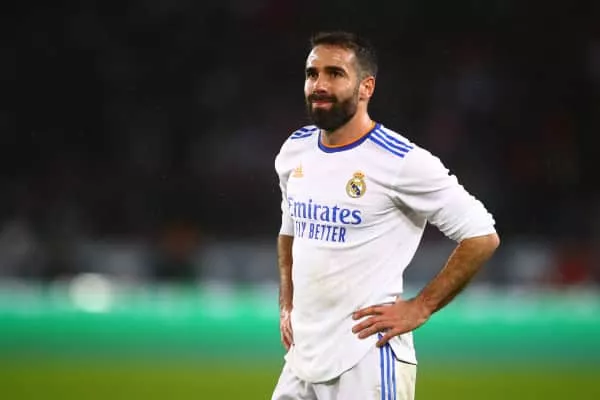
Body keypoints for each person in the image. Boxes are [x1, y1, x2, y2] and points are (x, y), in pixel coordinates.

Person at [272, 31, 500, 400]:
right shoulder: (295, 149)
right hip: (302, 358)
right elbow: (289, 231)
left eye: (335, 74)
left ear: (366, 87)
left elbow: (482, 235)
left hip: (368, 359)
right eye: (312, 74)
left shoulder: (400, 161)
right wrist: (287, 304)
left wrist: (421, 307)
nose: (319, 85)